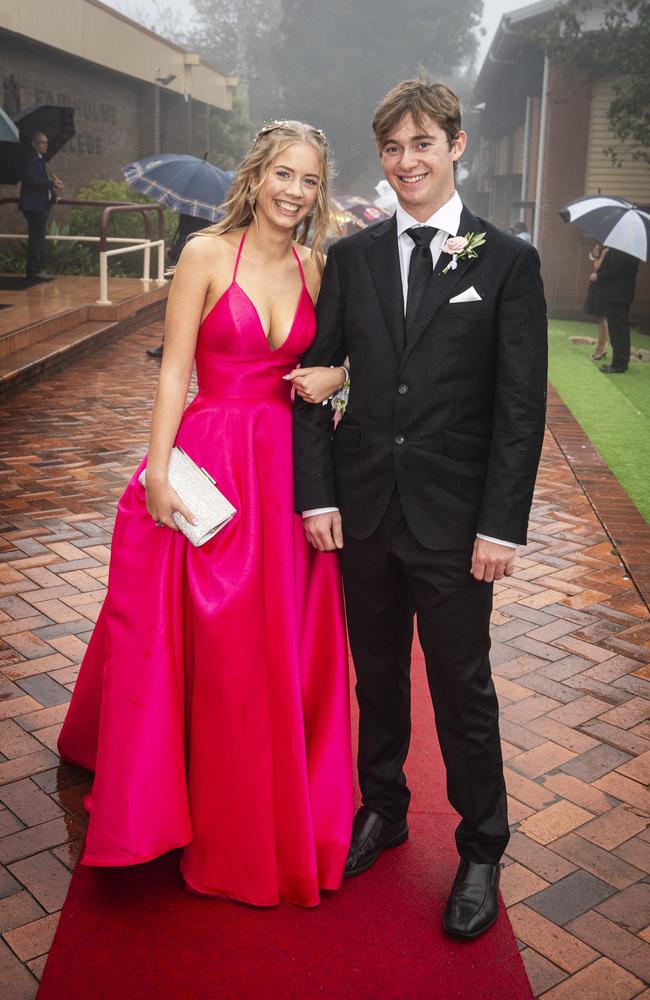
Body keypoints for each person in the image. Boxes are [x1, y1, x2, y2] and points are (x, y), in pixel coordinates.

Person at [57, 121, 353, 907]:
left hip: (288, 468)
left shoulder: (317, 266)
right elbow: (174, 372)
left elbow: (333, 365)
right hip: (213, 457)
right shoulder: (203, 255)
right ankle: (177, 789)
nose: (296, 192)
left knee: (276, 640)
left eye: (311, 181)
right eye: (284, 175)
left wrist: (337, 379)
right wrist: (157, 473)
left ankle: (260, 792)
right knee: (204, 634)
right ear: (257, 176)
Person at [293, 79, 547, 940]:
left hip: (453, 522)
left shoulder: (507, 261)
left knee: (462, 687)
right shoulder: (353, 257)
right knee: (378, 677)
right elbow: (317, 381)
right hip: (362, 509)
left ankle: (481, 847)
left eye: (422, 145)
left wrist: (500, 525)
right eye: (393, 149)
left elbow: (519, 407)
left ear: (456, 144)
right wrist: (317, 493)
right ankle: (384, 806)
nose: (407, 163)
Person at [146, 213, 210, 358]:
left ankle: (172, 345)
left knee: (182, 306)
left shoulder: (194, 211)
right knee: (182, 307)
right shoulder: (206, 211)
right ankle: (170, 344)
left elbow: (188, 233)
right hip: (191, 258)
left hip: (193, 260)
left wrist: (175, 251)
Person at [19, 131, 63, 281]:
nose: (45, 145)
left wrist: (53, 195)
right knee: (36, 239)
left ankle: (35, 270)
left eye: (46, 142)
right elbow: (30, 179)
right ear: (33, 144)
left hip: (40, 205)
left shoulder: (40, 160)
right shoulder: (31, 158)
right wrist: (51, 183)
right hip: (34, 206)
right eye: (41, 142)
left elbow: (42, 182)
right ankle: (34, 271)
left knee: (38, 238)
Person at [594, 246, 639, 374]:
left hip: (616, 295)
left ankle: (619, 364)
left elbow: (612, 271)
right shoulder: (634, 250)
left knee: (617, 329)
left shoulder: (620, 250)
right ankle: (621, 361)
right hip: (625, 294)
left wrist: (598, 277)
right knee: (622, 329)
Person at [585, 242, 609, 360]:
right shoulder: (602, 250)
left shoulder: (607, 251)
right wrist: (596, 255)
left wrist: (601, 254)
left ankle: (601, 349)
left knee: (602, 319)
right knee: (600, 319)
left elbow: (597, 268)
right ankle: (600, 349)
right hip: (597, 290)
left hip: (603, 291)